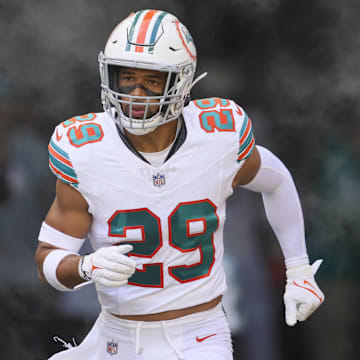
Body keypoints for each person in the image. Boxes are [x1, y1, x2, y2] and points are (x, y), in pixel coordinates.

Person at [35, 9, 324, 360]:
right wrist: (84, 267)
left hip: (201, 332)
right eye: (126, 78)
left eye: (152, 81)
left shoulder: (218, 137)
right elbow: (48, 259)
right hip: (118, 334)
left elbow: (276, 181)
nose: (136, 93)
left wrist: (298, 270)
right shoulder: (87, 151)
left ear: (181, 83)